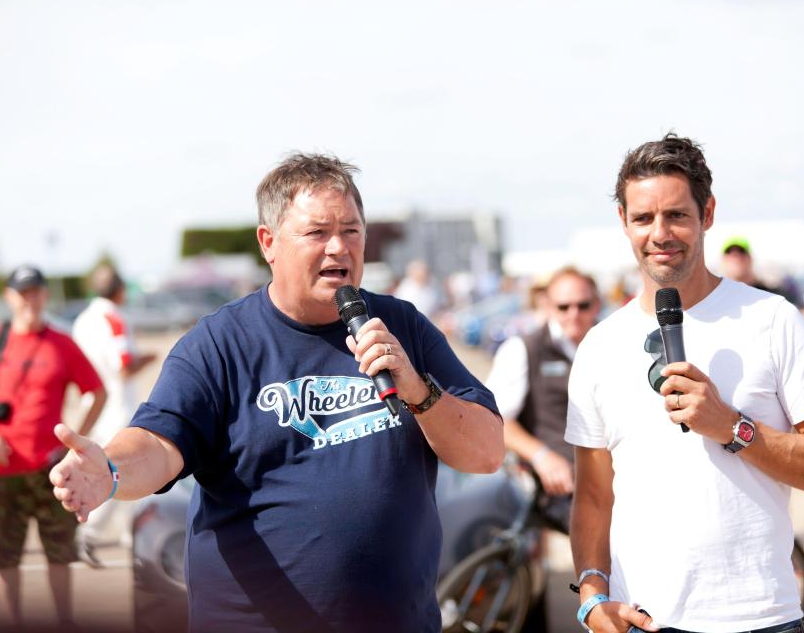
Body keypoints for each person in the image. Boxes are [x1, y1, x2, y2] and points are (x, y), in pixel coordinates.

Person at [49, 153, 504, 633]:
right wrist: (112, 469)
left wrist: (416, 389)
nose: (338, 248)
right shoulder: (219, 345)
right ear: (269, 243)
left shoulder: (403, 327)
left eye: (351, 230)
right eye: (317, 233)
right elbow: (160, 443)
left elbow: (486, 453)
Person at [564, 133, 804, 633]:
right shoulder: (598, 347)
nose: (660, 233)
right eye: (643, 218)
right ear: (624, 222)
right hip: (645, 621)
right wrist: (592, 597)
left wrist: (732, 427)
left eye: (677, 214)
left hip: (761, 619)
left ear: (708, 213)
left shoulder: (771, 319)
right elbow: (594, 495)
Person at [0, 265, 106, 628]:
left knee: (59, 551)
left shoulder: (61, 343)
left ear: (45, 296)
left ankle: (64, 622)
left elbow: (98, 392)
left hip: (50, 470)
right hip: (0, 469)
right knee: (3, 555)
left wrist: (75, 441)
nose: (30, 300)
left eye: (36, 292)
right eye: (22, 293)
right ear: (9, 297)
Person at [486, 266, 601, 530]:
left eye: (583, 305)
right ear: (548, 306)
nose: (574, 314)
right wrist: (541, 456)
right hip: (559, 482)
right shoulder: (523, 349)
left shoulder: (611, 343)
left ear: (596, 305)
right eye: (564, 307)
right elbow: (495, 418)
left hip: (613, 476)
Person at [71, 264, 156, 567]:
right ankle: (89, 535)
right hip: (117, 408)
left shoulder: (82, 320)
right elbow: (125, 367)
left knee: (115, 471)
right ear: (119, 291)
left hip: (91, 406)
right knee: (119, 473)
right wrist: (149, 357)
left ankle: (134, 540)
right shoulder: (114, 319)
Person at [719, 236, 795, 302]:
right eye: (729, 252)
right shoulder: (717, 297)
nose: (736, 257)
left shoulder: (771, 295)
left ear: (750, 258)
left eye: (741, 251)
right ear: (723, 259)